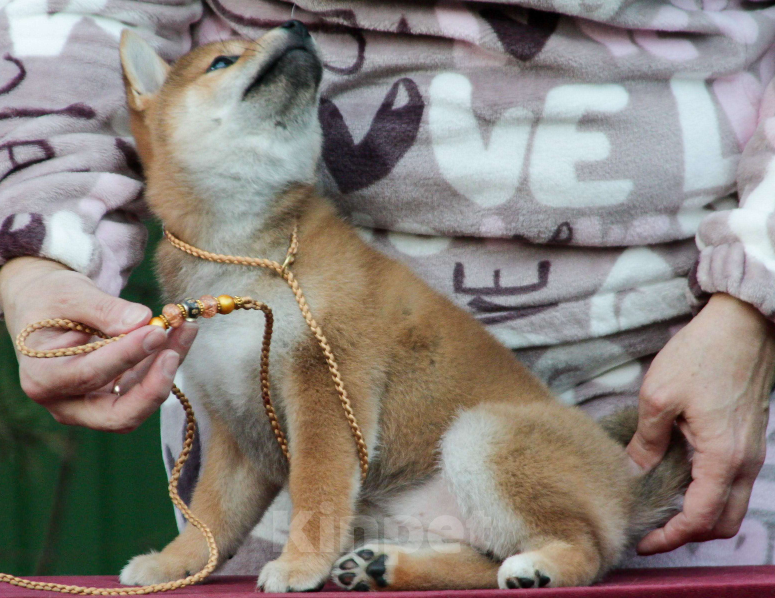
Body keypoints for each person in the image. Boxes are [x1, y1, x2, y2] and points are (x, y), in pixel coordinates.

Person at [1, 0, 774, 572]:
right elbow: (243, 438)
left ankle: (563, 546)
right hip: (374, 511)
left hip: (691, 365)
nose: (288, 42)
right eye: (230, 63)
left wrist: (753, 300)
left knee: (470, 451)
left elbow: (329, 408)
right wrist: (40, 253)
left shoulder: (311, 273)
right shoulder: (216, 280)